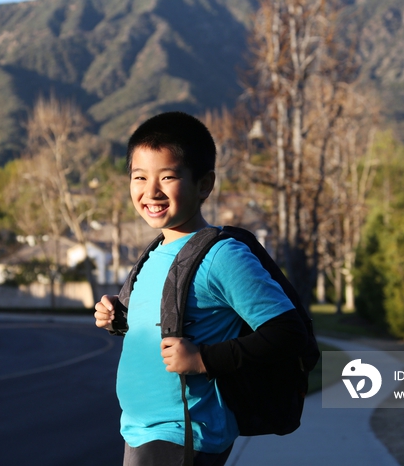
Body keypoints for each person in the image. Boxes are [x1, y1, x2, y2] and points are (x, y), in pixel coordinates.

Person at [94, 111, 307, 466]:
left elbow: (288, 334)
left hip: (184, 434)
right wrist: (119, 318)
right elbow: (169, 325)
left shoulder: (222, 256)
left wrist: (203, 360)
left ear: (204, 185)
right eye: (140, 177)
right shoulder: (155, 252)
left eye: (168, 177)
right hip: (141, 430)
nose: (151, 191)